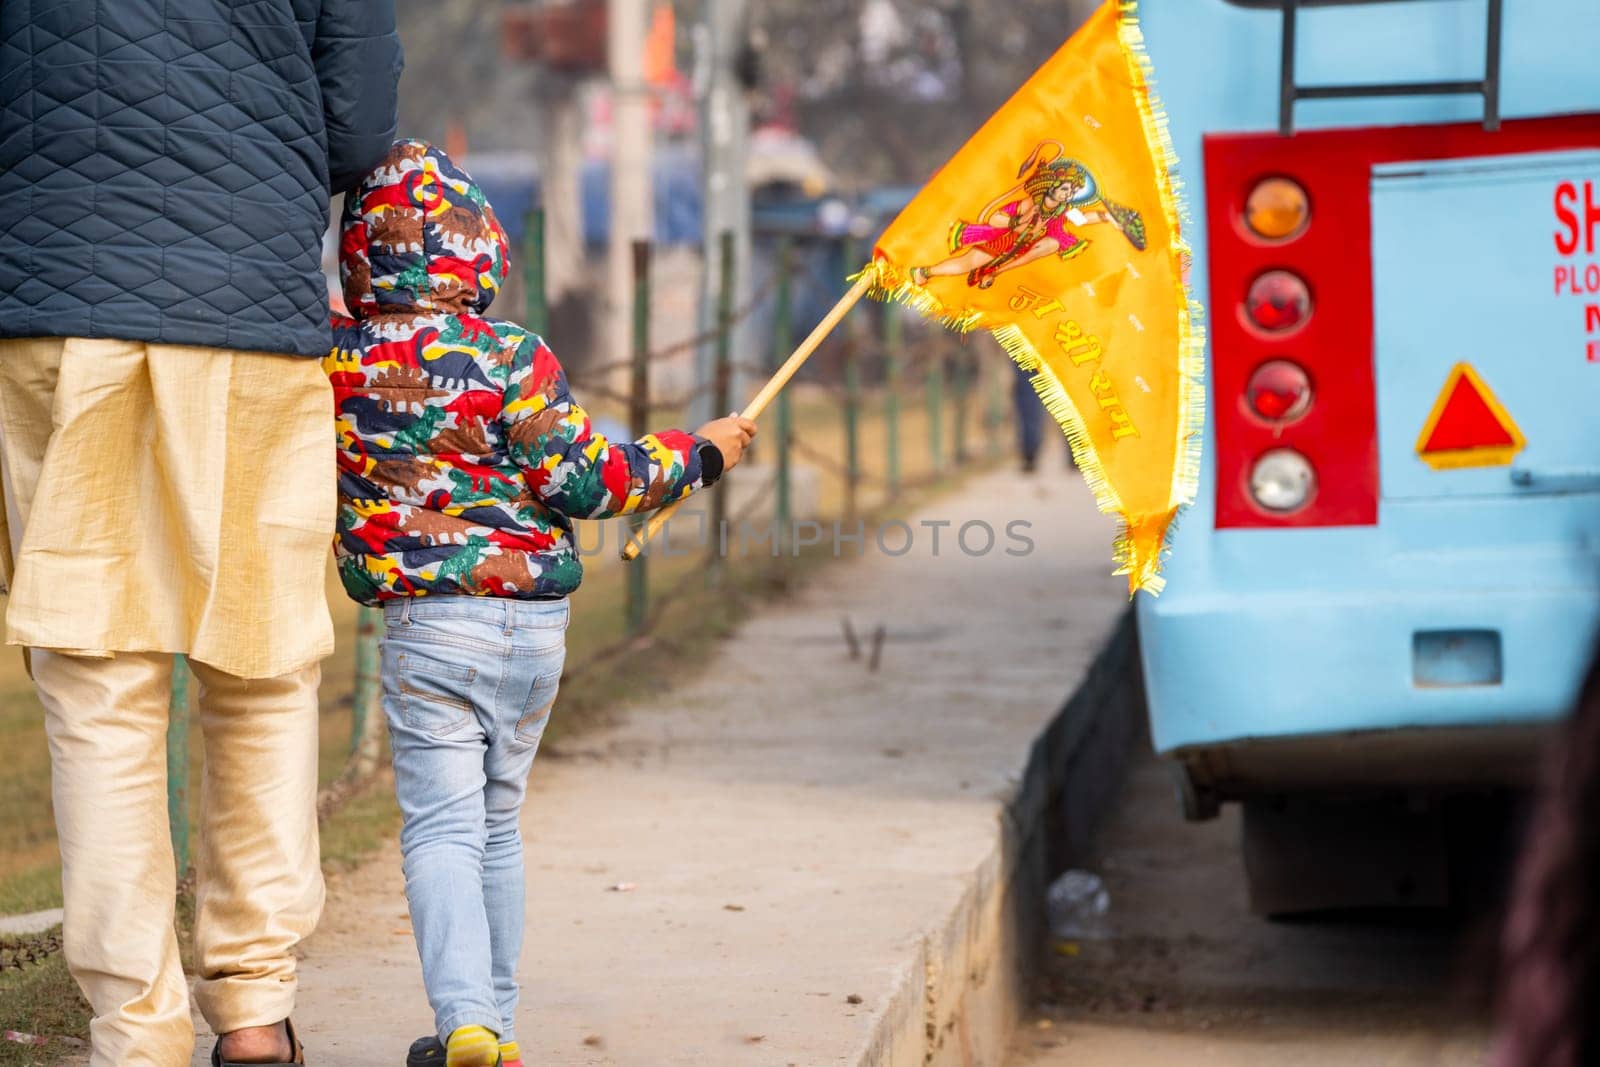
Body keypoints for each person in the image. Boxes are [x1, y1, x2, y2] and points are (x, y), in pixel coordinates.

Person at [0, 3, 403, 1065]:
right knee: (261, 665)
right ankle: (256, 1011)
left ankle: (136, 1033)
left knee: (96, 681)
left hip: (56, 296)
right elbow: (359, 128)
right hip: (249, 308)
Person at [325, 141, 756, 1067]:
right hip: (533, 632)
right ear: (480, 249)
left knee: (440, 825)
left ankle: (467, 1022)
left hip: (427, 625)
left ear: (360, 249)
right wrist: (702, 452)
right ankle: (503, 1028)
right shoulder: (512, 357)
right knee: (495, 821)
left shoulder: (336, 363)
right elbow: (591, 481)